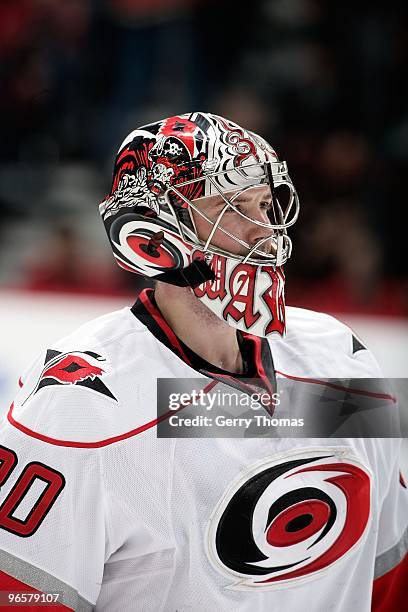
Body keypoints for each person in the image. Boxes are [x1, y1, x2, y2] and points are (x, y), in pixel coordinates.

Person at [0, 113, 406, 611]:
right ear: (152, 231)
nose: (264, 230)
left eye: (265, 203)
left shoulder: (342, 358)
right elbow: (23, 600)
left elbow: (389, 575)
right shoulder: (78, 406)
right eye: (232, 206)